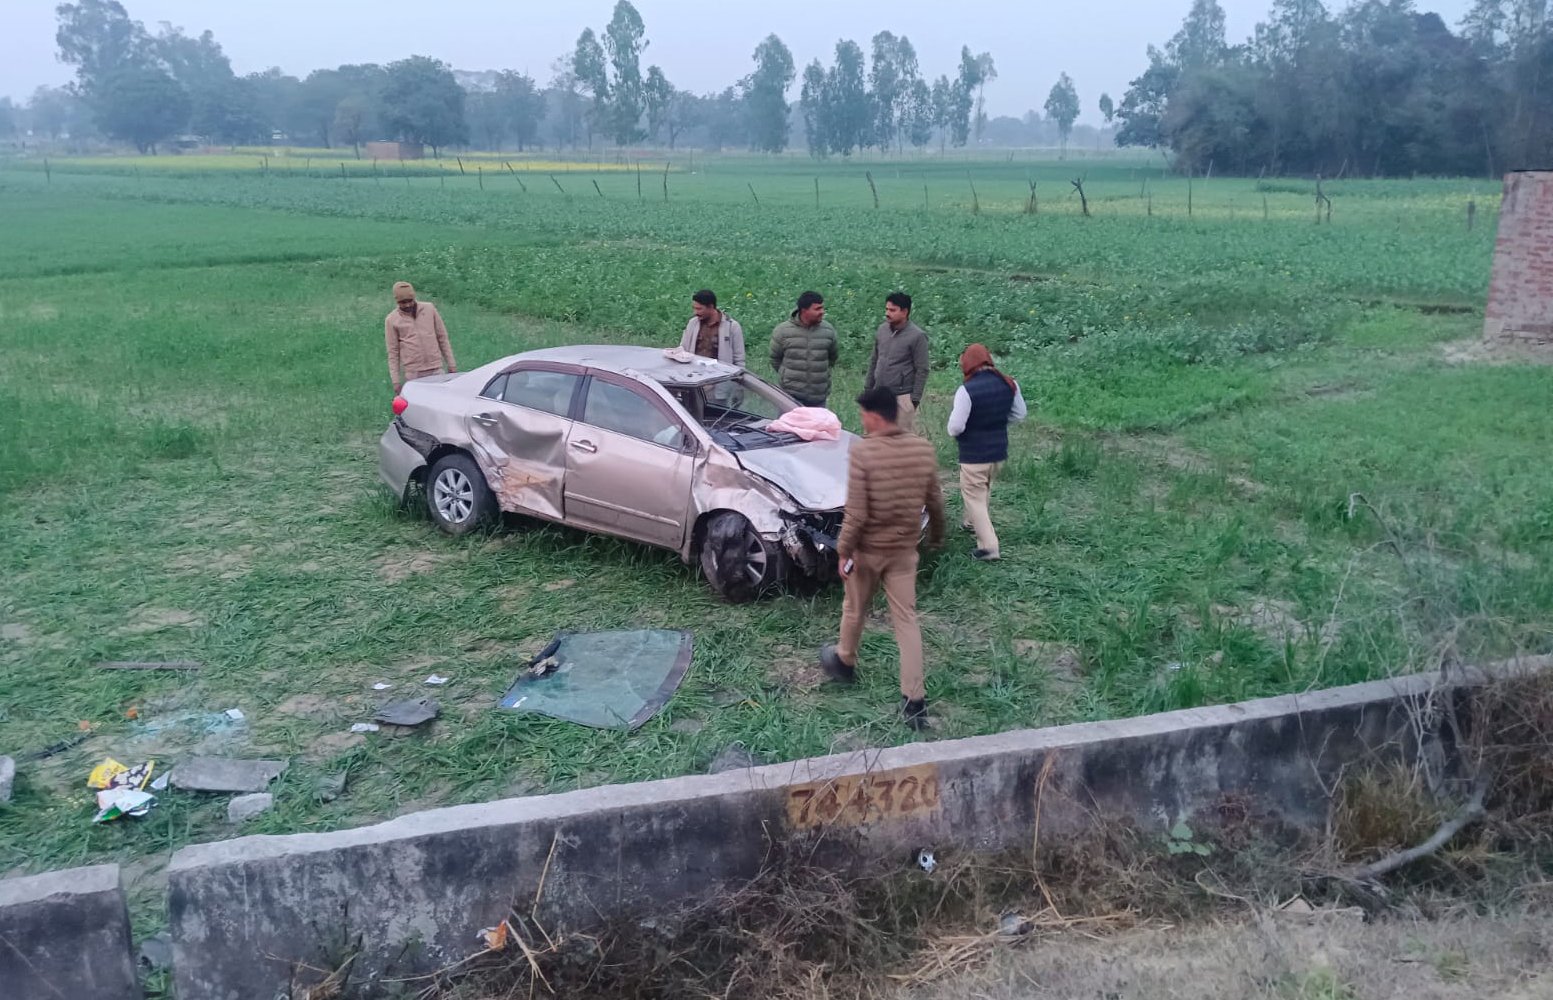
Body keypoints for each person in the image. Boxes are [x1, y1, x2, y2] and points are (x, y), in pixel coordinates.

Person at [820, 387, 947, 730]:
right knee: (907, 621)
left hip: (868, 552)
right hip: (904, 551)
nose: (862, 421)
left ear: (875, 416)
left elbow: (857, 514)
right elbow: (935, 501)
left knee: (854, 608)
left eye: (863, 415)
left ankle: (845, 661)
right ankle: (914, 701)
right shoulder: (922, 449)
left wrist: (844, 551)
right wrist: (937, 536)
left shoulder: (864, 453)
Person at [947, 344, 1027, 562]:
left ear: (967, 363)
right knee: (983, 488)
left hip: (974, 454)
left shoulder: (967, 390)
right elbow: (1019, 414)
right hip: (998, 451)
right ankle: (970, 522)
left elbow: (955, 427)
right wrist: (996, 424)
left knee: (974, 497)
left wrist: (964, 432)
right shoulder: (1009, 384)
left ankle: (989, 547)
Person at [863, 292, 930, 433]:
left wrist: (914, 400)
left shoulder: (917, 336)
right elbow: (874, 360)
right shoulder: (882, 330)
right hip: (879, 394)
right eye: (886, 309)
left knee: (899, 440)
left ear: (904, 312)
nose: (887, 313)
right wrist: (868, 389)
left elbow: (922, 369)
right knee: (875, 438)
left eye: (892, 310)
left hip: (901, 397)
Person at [769, 291, 839, 408]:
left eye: (822, 308)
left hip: (818, 397)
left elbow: (832, 357)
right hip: (790, 397)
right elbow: (775, 359)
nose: (822, 312)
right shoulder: (782, 331)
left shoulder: (828, 330)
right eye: (817, 309)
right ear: (804, 310)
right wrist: (789, 378)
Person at [385, 281, 456, 393]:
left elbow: (442, 338)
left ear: (414, 297)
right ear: (396, 301)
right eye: (403, 302)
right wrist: (396, 381)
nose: (407, 305)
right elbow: (393, 352)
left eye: (410, 301)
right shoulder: (391, 319)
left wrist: (451, 364)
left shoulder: (429, 309)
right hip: (414, 373)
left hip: (435, 369)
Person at [678, 289, 746, 368]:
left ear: (711, 307)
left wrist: (739, 374)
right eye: (694, 308)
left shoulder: (732, 327)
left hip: (721, 373)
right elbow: (683, 349)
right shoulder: (693, 323)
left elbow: (739, 359)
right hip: (694, 371)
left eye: (699, 309)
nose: (695, 312)